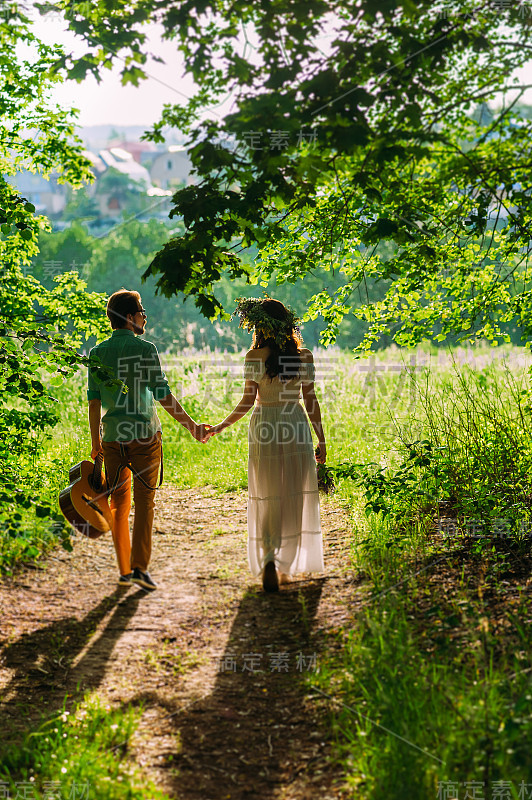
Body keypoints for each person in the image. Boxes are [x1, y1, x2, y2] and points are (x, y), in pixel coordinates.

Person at [87, 289, 209, 591]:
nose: (145, 316)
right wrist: (192, 426)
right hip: (143, 436)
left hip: (113, 438)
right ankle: (140, 568)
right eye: (141, 311)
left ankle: (125, 570)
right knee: (144, 504)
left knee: (118, 503)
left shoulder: (97, 353)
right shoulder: (145, 349)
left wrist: (96, 444)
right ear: (129, 317)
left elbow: (93, 402)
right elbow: (162, 394)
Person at [204, 297, 326, 592]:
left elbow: (247, 401)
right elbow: (310, 400)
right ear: (288, 324)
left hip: (264, 426)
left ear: (259, 327)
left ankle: (270, 556)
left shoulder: (253, 357)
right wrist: (321, 438)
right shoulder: (304, 356)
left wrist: (220, 426)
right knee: (293, 493)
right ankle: (286, 560)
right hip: (294, 424)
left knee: (268, 492)